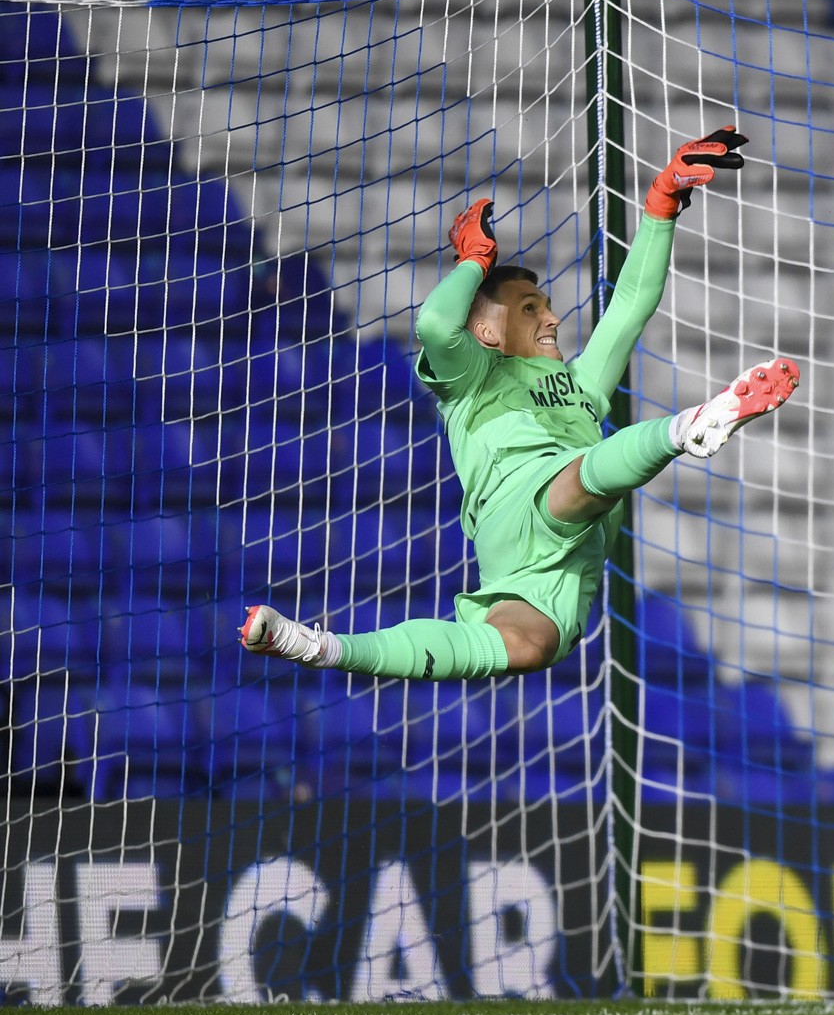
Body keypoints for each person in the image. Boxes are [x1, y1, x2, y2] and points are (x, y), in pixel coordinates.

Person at [239, 126, 799, 680]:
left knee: (524, 650)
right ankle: (684, 431)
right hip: (524, 508)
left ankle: (316, 647)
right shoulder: (472, 379)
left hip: (555, 576)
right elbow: (435, 324)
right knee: (580, 482)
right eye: (530, 308)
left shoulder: (579, 385)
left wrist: (661, 202)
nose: (551, 318)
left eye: (547, 306)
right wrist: (474, 262)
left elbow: (630, 306)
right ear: (485, 329)